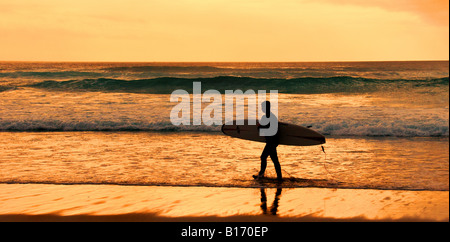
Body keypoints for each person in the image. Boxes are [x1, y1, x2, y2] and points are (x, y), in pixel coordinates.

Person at [254, 101, 282, 181]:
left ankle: (261, 175)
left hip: (271, 141)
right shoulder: (271, 117)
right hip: (272, 141)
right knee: (274, 159)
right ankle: (279, 177)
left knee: (264, 157)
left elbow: (266, 130)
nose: (262, 109)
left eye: (263, 107)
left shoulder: (269, 117)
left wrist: (259, 126)